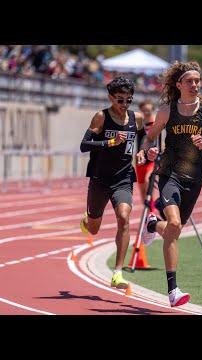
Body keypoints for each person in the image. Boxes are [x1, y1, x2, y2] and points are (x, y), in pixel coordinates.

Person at [137, 61, 202, 307]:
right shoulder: (167, 111)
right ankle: (172, 291)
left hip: (195, 179)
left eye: (198, 81)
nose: (195, 85)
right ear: (178, 85)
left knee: (174, 229)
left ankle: (154, 224)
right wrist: (147, 152)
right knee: (176, 224)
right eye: (190, 81)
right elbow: (149, 138)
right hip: (169, 174)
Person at [79, 76, 145, 290]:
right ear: (111, 98)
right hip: (99, 179)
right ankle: (88, 219)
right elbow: (84, 145)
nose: (124, 105)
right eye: (120, 100)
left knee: (124, 217)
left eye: (128, 100)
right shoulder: (101, 117)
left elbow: (144, 138)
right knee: (94, 229)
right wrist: (109, 142)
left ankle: (117, 272)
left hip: (123, 178)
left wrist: (144, 151)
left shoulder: (137, 119)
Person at [135, 99, 159, 214]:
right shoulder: (139, 124)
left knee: (147, 180)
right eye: (144, 111)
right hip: (140, 159)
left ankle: (153, 210)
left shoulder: (157, 123)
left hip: (152, 158)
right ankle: (149, 212)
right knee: (142, 189)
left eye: (149, 111)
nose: (147, 113)